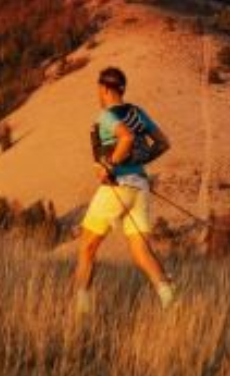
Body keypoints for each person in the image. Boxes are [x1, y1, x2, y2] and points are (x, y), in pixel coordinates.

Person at [73, 66, 176, 314]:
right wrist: (137, 162)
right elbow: (163, 143)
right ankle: (169, 297)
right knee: (141, 252)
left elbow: (126, 137)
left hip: (116, 187)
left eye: (99, 88)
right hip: (140, 187)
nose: (98, 92)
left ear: (105, 89)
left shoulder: (107, 116)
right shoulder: (137, 112)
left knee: (87, 247)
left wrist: (110, 165)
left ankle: (81, 311)